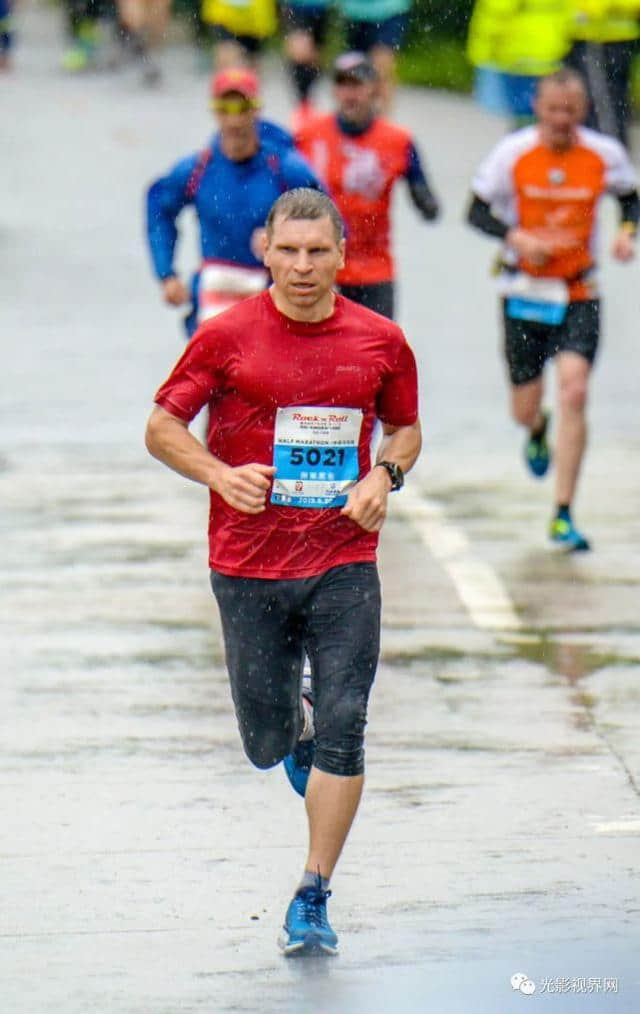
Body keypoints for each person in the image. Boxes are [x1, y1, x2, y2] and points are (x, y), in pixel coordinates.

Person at [145, 188, 422, 956]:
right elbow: (161, 426)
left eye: (318, 252)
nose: (303, 268)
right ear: (265, 250)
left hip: (342, 557)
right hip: (248, 562)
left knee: (348, 724)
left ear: (342, 255)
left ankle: (313, 891)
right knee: (267, 743)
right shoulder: (225, 336)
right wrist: (217, 473)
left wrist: (383, 479)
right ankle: (288, 724)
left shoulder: (380, 341)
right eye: (289, 252)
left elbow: (403, 429)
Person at [467, 68, 638, 551]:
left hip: (579, 290)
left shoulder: (604, 154)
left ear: (582, 112)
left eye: (571, 111)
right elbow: (476, 211)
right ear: (538, 108)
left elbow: (630, 199)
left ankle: (563, 511)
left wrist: (627, 234)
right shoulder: (513, 153)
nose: (562, 120)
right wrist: (516, 237)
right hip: (524, 290)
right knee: (524, 407)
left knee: (576, 390)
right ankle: (537, 428)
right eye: (553, 110)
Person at [145, 68, 321, 337]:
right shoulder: (198, 169)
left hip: (274, 302)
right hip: (214, 300)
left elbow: (332, 225)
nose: (234, 120)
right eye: (225, 108)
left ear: (256, 111)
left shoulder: (285, 169)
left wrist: (285, 238)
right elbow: (158, 207)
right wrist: (166, 274)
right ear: (215, 112)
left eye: (243, 108)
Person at [295, 51, 440, 320]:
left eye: (357, 86)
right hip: (316, 266)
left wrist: (425, 202)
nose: (350, 94)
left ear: (375, 90)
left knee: (375, 355)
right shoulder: (308, 136)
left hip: (373, 268)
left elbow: (426, 198)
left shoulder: (398, 141)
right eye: (342, 85)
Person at [466, 0, 572, 126]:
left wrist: (480, 55)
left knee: (523, 113)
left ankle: (528, 141)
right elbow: (571, 16)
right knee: (547, 110)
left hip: (518, 58)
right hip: (552, 56)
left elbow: (494, 17)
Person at [565, 0, 640, 148]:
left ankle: (611, 156)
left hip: (608, 37)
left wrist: (601, 7)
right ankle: (607, 153)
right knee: (603, 104)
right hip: (593, 37)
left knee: (607, 104)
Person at [337, 0, 411, 113]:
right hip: (354, 13)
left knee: (381, 66)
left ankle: (382, 119)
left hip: (389, 10)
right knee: (355, 72)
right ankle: (358, 118)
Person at [281, 0, 332, 130]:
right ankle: (302, 105)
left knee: (315, 56)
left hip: (321, 6)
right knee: (300, 50)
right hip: (295, 5)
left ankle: (307, 104)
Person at [201, 0, 277, 69]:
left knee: (251, 62)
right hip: (225, 17)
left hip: (255, 20)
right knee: (227, 54)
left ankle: (240, 79)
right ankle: (228, 78)